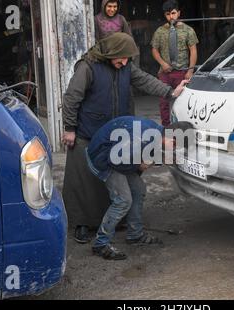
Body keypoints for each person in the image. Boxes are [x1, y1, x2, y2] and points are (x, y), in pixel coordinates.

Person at [61, 32, 188, 244]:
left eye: (127, 58)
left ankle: (112, 220)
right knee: (83, 181)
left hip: (115, 133)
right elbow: (72, 97)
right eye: (121, 57)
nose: (124, 62)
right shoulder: (88, 67)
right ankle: (82, 224)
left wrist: (170, 92)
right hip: (86, 131)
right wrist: (69, 128)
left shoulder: (126, 66)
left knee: (115, 179)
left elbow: (146, 81)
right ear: (111, 52)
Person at [86, 116, 193, 260]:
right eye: (175, 148)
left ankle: (135, 235)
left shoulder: (156, 132)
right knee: (123, 200)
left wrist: (155, 160)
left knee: (139, 189)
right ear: (172, 140)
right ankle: (100, 244)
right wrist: (138, 165)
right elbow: (115, 161)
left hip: (117, 156)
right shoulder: (143, 138)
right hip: (102, 158)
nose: (173, 151)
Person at [151, 0, 199, 126]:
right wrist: (162, 63)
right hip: (165, 72)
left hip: (182, 72)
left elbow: (193, 50)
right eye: (168, 14)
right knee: (163, 101)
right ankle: (166, 127)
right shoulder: (160, 31)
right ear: (164, 15)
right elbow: (154, 50)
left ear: (178, 13)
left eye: (173, 13)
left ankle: (183, 127)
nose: (171, 17)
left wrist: (190, 70)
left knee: (183, 100)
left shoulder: (188, 30)